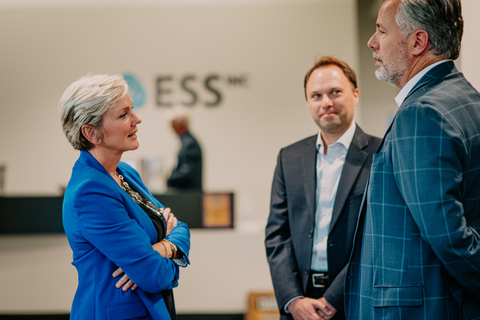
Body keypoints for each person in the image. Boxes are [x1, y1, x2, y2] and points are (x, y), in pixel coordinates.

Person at [345, 0, 480, 319]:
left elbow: (450, 237)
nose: (372, 42)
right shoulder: (466, 100)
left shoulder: (422, 114)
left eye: (381, 30)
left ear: (418, 42)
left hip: (418, 309)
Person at [59, 74, 190, 320]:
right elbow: (153, 276)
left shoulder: (125, 173)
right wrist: (164, 251)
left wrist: (159, 249)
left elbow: (180, 227)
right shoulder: (91, 192)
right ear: (91, 132)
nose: (137, 120)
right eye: (123, 114)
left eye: (132, 110)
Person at [265, 56, 381, 320]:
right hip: (300, 300)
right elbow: (277, 234)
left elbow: (376, 238)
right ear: (308, 103)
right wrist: (292, 300)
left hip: (355, 297)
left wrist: (333, 298)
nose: (326, 102)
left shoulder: (380, 154)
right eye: (316, 96)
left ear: (356, 94)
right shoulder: (289, 157)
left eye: (335, 92)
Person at [166, 108, 202, 190]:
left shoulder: (189, 144)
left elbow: (187, 173)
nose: (171, 127)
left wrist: (170, 179)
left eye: (173, 123)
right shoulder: (188, 142)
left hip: (188, 196)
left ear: (180, 124)